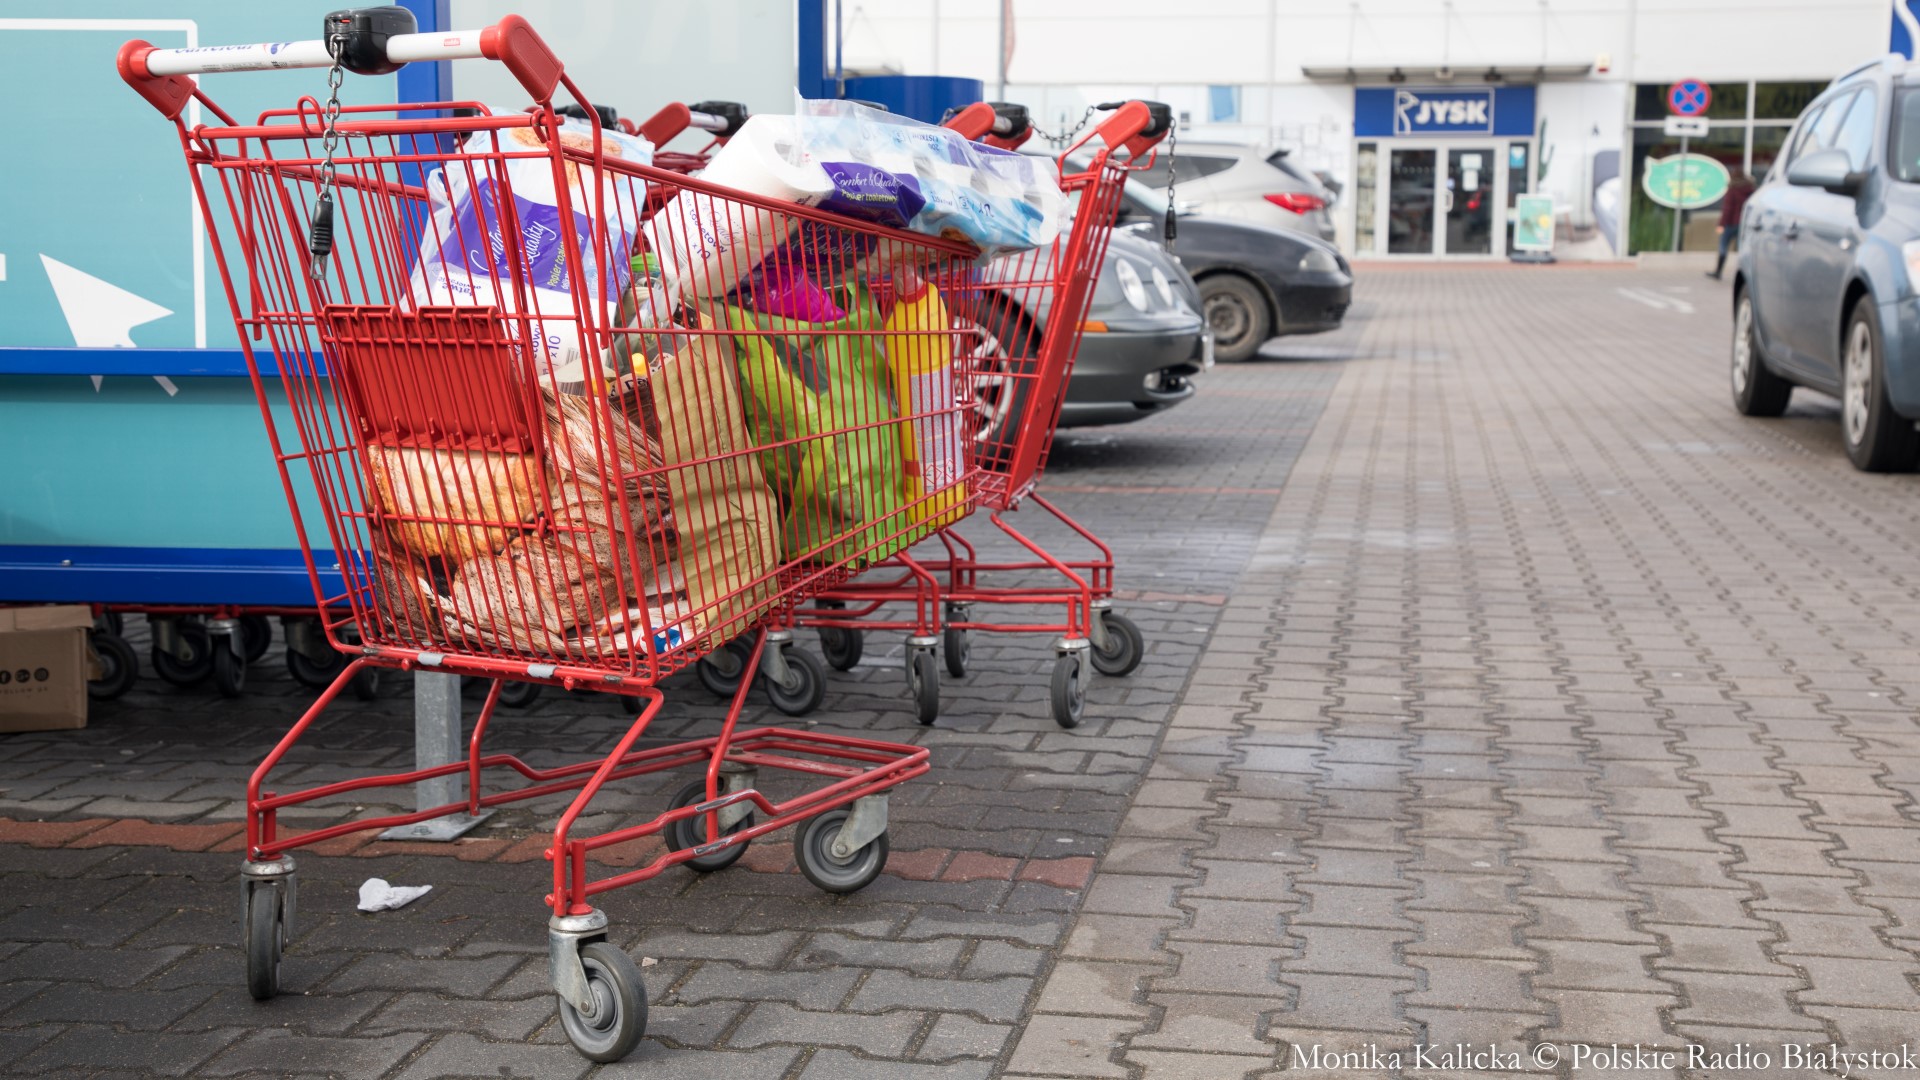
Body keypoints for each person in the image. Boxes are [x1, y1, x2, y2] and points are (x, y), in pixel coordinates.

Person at [1708, 172, 1757, 280]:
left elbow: (1728, 209)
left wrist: (1721, 224)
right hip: (1745, 223)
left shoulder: (1732, 190)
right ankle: (1746, 273)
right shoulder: (1751, 191)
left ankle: (1718, 271)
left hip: (1731, 223)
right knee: (1743, 249)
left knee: (1723, 245)